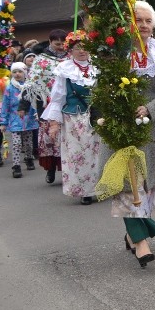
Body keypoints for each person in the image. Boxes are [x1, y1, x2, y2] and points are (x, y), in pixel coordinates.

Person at [110, 1, 155, 268]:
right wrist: (123, 109)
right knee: (130, 188)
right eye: (139, 20)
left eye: (148, 21)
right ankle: (141, 243)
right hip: (122, 131)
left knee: (147, 190)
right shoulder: (115, 54)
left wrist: (149, 108)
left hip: (153, 132)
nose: (144, 25)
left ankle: (132, 234)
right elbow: (104, 91)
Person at [42, 31, 100, 205]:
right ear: (71, 50)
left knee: (97, 153)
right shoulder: (64, 69)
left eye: (85, 47)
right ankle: (84, 191)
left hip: (96, 117)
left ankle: (100, 187)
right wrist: (53, 123)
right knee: (77, 154)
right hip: (74, 120)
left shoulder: (98, 66)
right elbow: (58, 97)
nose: (82, 51)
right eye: (77, 48)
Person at [20, 29, 68, 184]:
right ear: (50, 42)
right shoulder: (41, 60)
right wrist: (23, 106)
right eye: (57, 44)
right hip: (46, 104)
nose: (61, 47)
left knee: (66, 139)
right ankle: (51, 169)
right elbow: (31, 85)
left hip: (68, 103)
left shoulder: (71, 57)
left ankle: (67, 171)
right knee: (50, 139)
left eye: (63, 43)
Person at [0, 62, 38, 178]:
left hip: (29, 119)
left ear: (25, 72)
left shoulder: (30, 86)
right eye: (14, 72)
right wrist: (3, 122)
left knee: (28, 143)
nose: (17, 74)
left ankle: (28, 157)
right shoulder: (10, 88)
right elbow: (5, 105)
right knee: (16, 143)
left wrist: (37, 114)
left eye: (20, 71)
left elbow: (35, 102)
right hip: (15, 119)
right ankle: (16, 166)